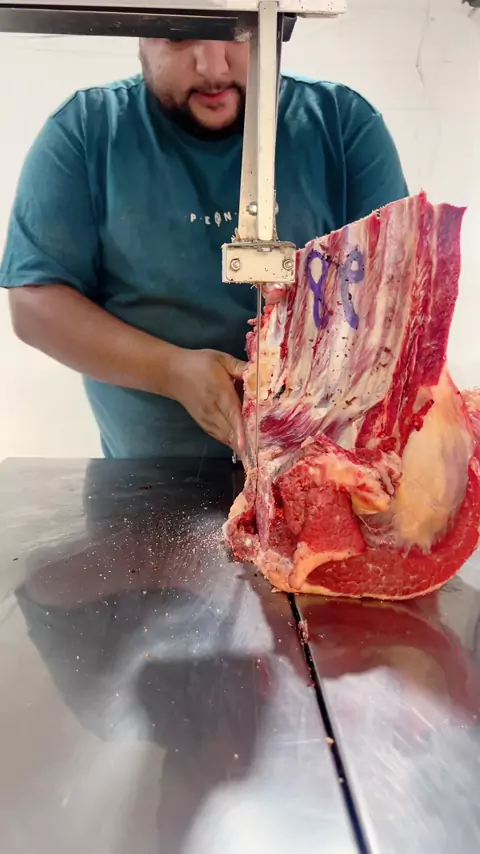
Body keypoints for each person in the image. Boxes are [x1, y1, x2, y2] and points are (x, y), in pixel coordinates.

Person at [0, 36, 408, 460]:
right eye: (180, 37)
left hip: (324, 464)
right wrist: (171, 371)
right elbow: (34, 302)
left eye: (239, 34)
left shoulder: (342, 125)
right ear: (141, 36)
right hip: (148, 477)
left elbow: (398, 296)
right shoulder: (88, 131)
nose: (213, 67)